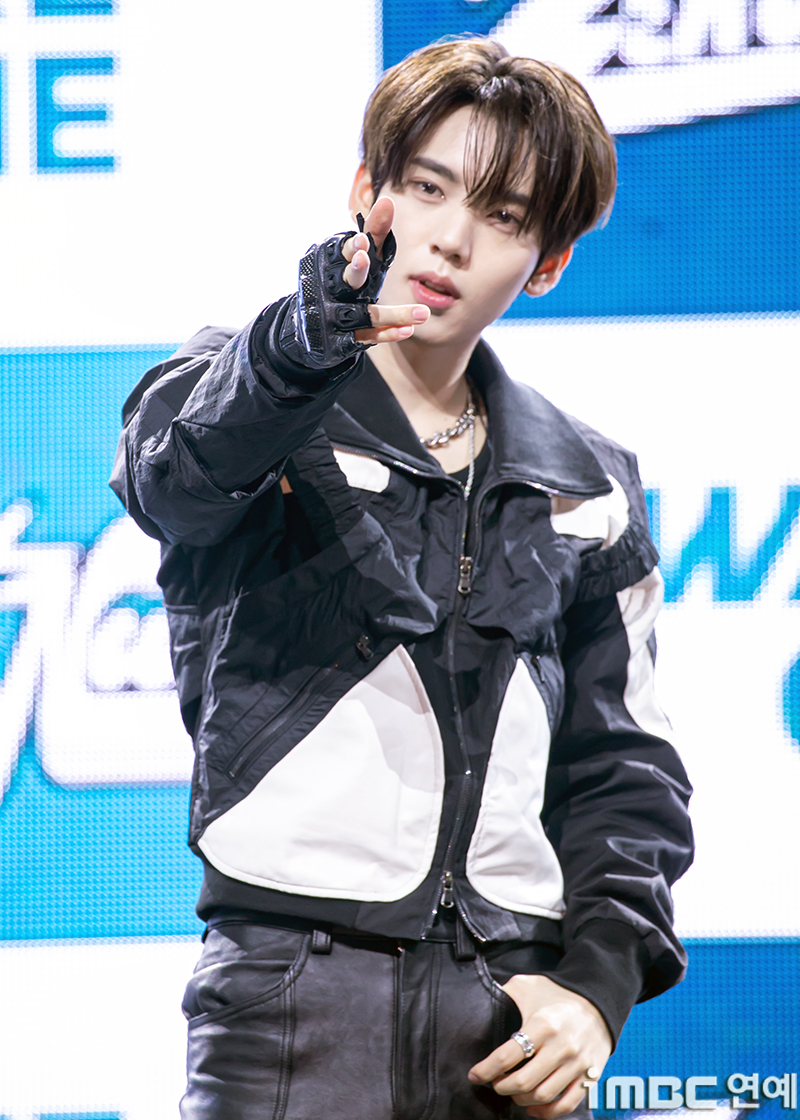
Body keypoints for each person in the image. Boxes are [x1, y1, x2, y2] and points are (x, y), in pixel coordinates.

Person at [111, 36, 693, 1120]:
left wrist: (594, 992)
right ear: (365, 193)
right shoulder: (244, 392)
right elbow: (169, 483)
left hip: (509, 1016)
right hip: (288, 1000)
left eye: (504, 216)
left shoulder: (588, 479)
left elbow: (626, 770)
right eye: (426, 188)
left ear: (548, 262)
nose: (451, 237)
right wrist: (295, 349)